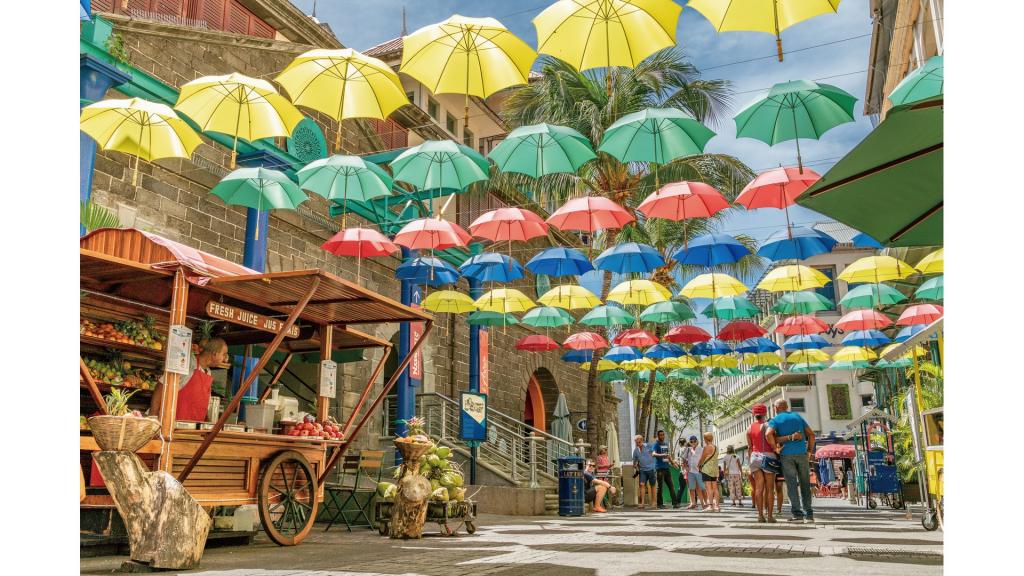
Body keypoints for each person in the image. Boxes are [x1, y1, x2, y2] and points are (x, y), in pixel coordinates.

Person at [152, 337, 229, 422]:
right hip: (173, 424)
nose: (225, 359)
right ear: (214, 354)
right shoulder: (187, 365)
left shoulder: (208, 372)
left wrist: (208, 423)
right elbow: (161, 386)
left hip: (193, 429)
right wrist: (153, 416)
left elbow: (201, 404)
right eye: (224, 354)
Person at [765, 398, 816, 523]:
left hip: (786, 455)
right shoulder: (797, 417)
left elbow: (768, 434)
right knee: (805, 483)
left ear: (776, 408)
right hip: (802, 453)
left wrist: (774, 447)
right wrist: (809, 451)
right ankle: (809, 515)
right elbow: (811, 434)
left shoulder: (775, 420)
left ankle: (797, 514)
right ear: (787, 407)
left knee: (792, 484)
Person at [746, 403, 777, 523]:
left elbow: (749, 447)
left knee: (759, 488)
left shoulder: (749, 428)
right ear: (765, 413)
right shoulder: (769, 425)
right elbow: (773, 440)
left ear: (754, 415)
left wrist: (750, 463)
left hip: (754, 456)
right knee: (770, 488)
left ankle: (760, 515)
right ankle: (769, 516)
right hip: (768, 456)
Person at [651, 430, 679, 509]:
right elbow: (653, 454)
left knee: (671, 486)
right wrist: (662, 454)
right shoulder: (656, 444)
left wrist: (673, 463)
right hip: (659, 468)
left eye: (663, 435)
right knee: (660, 487)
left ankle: (675, 504)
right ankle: (660, 504)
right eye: (660, 435)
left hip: (667, 468)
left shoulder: (666, 444)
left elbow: (668, 455)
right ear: (658, 436)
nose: (662, 436)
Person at [680, 435, 706, 510]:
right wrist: (685, 466)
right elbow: (683, 458)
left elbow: (704, 459)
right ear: (690, 442)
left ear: (697, 441)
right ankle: (693, 503)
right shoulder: (688, 449)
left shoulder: (701, 449)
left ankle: (704, 503)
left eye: (694, 441)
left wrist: (701, 467)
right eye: (691, 441)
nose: (693, 442)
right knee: (691, 488)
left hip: (698, 472)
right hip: (691, 472)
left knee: (700, 488)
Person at [631, 435, 656, 509]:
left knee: (653, 485)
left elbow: (654, 453)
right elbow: (635, 461)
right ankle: (642, 503)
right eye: (636, 442)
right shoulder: (636, 451)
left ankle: (654, 502)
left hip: (651, 469)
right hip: (642, 470)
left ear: (642, 440)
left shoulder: (649, 446)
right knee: (642, 485)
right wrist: (635, 465)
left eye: (638, 441)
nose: (637, 443)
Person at [698, 432, 720, 512]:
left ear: (705, 439)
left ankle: (710, 506)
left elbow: (702, 459)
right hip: (714, 470)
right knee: (715, 488)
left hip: (707, 470)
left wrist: (698, 466)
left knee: (708, 488)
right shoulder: (716, 447)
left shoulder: (707, 447)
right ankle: (717, 506)